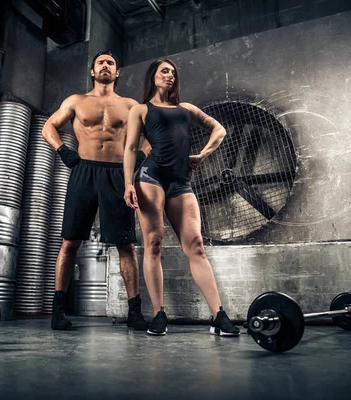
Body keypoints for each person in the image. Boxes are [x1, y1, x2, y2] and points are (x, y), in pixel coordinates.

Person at [123, 59, 241, 336]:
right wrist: (128, 183)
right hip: (150, 178)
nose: (170, 76)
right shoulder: (140, 110)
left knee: (196, 245)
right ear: (153, 76)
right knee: (153, 243)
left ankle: (218, 316)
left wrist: (202, 154)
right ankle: (159, 314)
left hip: (180, 182)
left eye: (173, 73)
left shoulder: (186, 109)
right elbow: (130, 148)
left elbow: (219, 130)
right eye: (165, 71)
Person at [42, 50, 151, 330]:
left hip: (117, 174)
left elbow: (152, 138)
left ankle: (134, 312)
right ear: (92, 72)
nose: (105, 66)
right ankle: (58, 311)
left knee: (125, 244)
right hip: (84, 171)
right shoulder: (76, 101)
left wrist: (139, 157)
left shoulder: (129, 105)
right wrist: (62, 151)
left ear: (117, 73)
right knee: (70, 242)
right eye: (100, 62)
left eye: (111, 63)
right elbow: (49, 127)